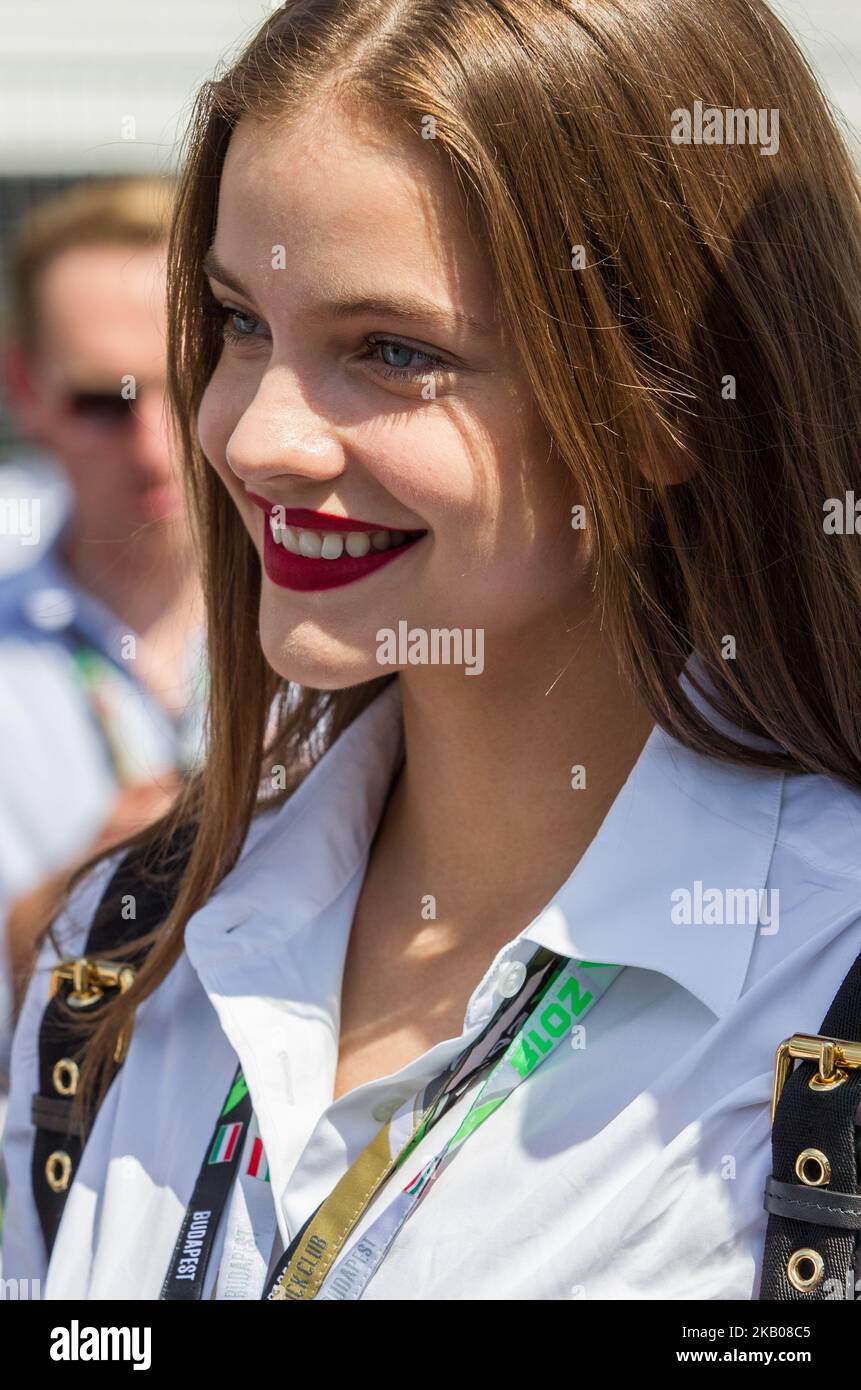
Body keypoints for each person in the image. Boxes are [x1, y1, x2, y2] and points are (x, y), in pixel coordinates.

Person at [2, 0, 861, 1301]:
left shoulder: (821, 973)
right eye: (240, 322)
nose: (250, 438)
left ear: (668, 404)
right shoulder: (126, 948)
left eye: (392, 352)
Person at [0, 178, 206, 1126]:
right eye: (103, 402)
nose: (156, 448)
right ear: (22, 390)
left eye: (190, 381)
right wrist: (60, 920)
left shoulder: (354, 644)